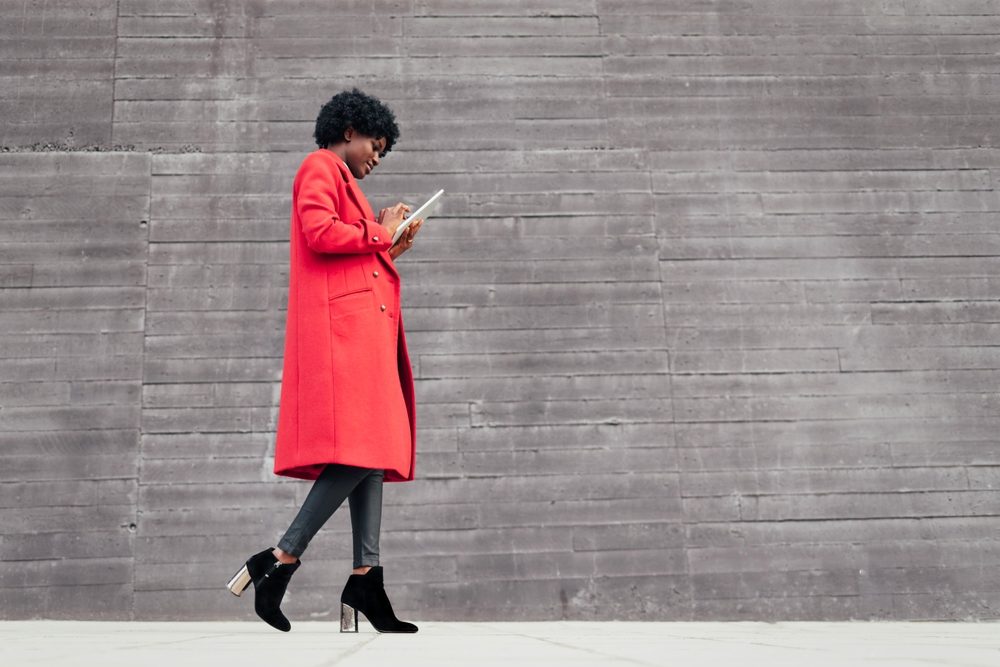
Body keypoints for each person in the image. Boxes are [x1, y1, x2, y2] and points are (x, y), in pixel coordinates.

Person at [226, 88, 423, 634]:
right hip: (346, 338)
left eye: (383, 151)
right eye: (374, 146)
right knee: (368, 446)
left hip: (364, 335)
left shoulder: (349, 189)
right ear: (347, 131)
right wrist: (381, 232)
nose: (376, 158)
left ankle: (366, 576)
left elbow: (353, 250)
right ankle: (282, 557)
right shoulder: (320, 166)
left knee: (375, 451)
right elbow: (319, 231)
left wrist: (390, 245)